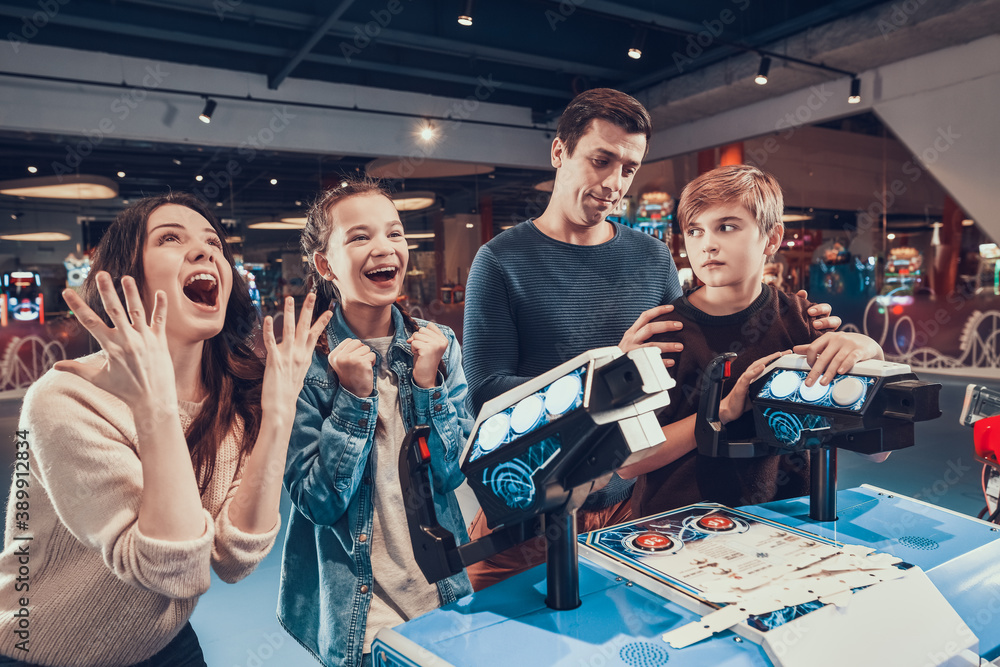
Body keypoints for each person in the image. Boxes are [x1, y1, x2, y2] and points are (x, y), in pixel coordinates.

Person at [461, 89, 842, 591]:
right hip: (532, 505)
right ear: (559, 153)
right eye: (601, 160)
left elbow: (682, 367)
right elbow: (487, 393)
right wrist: (609, 372)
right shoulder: (500, 260)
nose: (614, 183)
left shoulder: (651, 256)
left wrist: (831, 334)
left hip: (629, 502)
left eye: (629, 168)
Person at [0, 193, 331, 667]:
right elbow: (170, 569)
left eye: (214, 241)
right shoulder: (67, 397)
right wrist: (155, 406)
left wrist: (279, 410)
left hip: (161, 641)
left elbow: (234, 560)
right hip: (40, 650)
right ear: (126, 277)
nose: (205, 251)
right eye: (171, 238)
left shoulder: (233, 398)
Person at [278, 179, 473, 667]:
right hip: (361, 616)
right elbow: (317, 502)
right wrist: (354, 398)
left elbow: (452, 474)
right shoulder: (304, 363)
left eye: (395, 233)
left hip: (443, 592)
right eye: (359, 237)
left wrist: (428, 387)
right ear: (325, 265)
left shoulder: (439, 344)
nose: (385, 248)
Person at [620, 165, 885, 517]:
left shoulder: (803, 320)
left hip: (791, 521)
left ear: (772, 239)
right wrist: (722, 411)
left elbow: (878, 450)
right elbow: (627, 461)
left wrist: (871, 355)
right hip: (680, 527)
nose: (708, 244)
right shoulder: (662, 332)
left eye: (726, 227)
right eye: (694, 231)